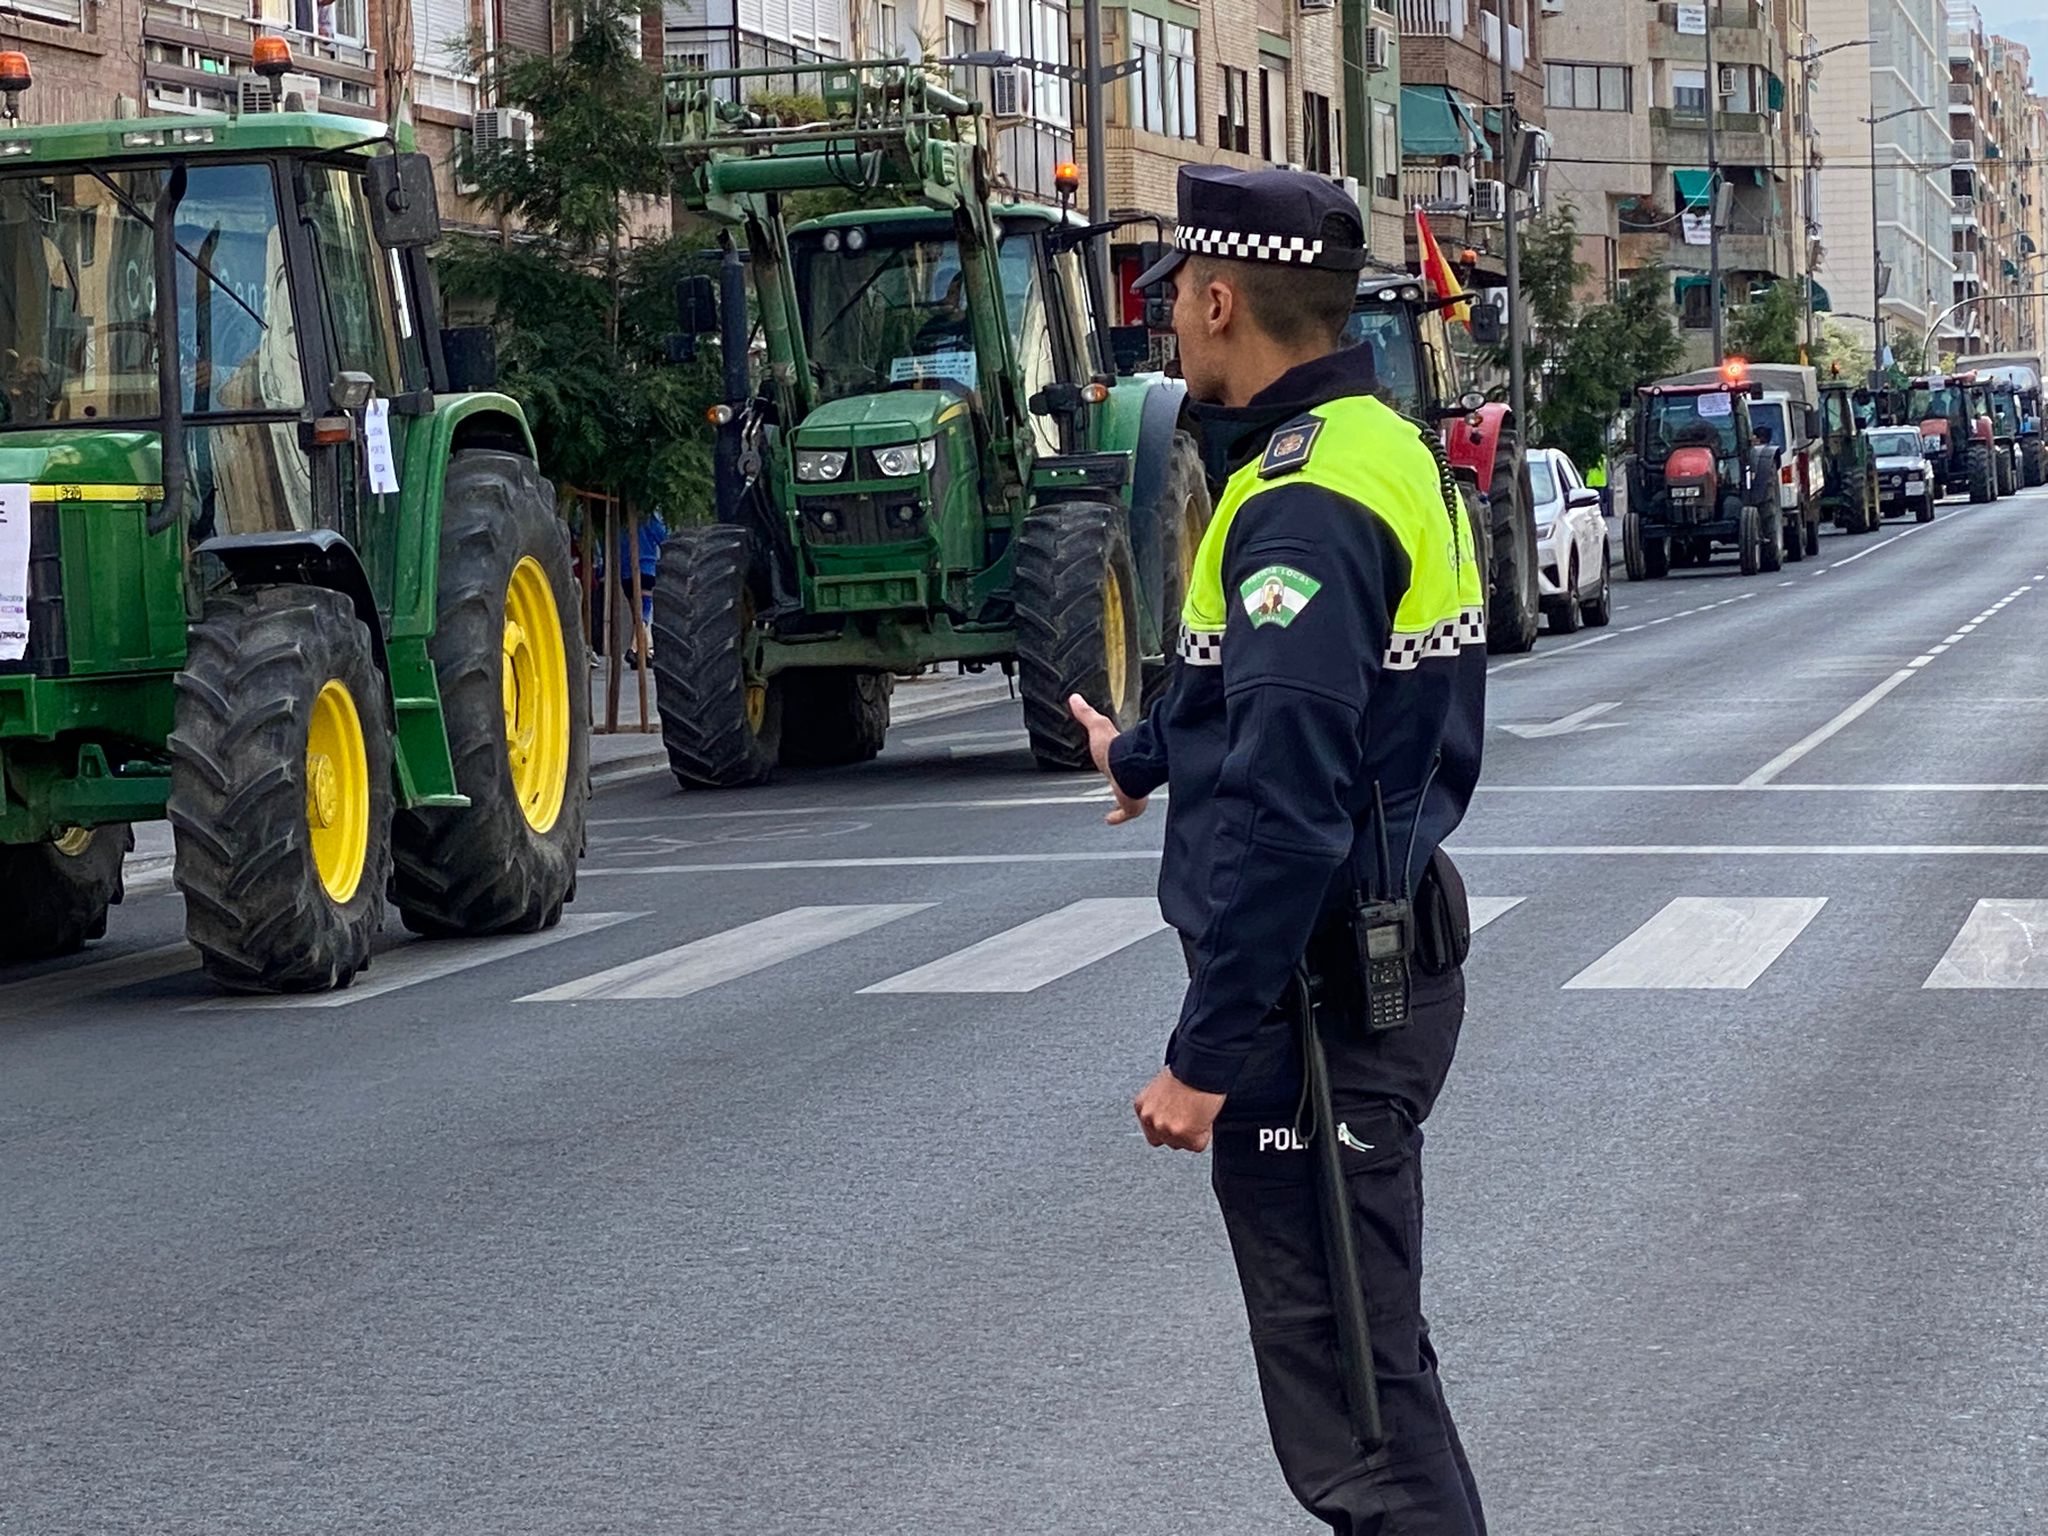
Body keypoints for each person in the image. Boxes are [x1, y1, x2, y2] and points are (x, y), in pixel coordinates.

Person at [1067, 164, 1489, 1534]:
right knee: (1365, 1386)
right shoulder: (1372, 446)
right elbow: (1283, 697)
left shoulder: (1299, 501)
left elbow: (1292, 801)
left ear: (1222, 297)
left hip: (1319, 1009)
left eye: (1178, 300)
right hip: (1354, 972)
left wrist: (1203, 1056)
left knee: (1365, 1419)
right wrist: (1142, 757)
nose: (1169, 326)